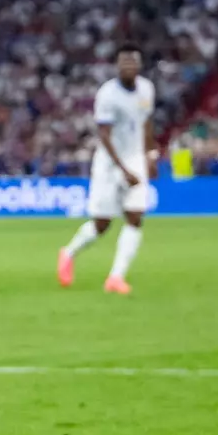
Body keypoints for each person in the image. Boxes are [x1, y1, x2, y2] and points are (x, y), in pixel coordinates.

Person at [57, 44, 156, 295]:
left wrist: (149, 156)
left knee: (135, 217)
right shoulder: (108, 95)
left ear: (139, 65)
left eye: (132, 62)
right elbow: (104, 135)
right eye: (124, 63)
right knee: (103, 224)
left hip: (134, 158)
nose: (128, 67)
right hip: (110, 163)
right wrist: (123, 170)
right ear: (117, 66)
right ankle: (68, 253)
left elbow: (146, 123)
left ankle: (116, 277)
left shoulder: (147, 89)